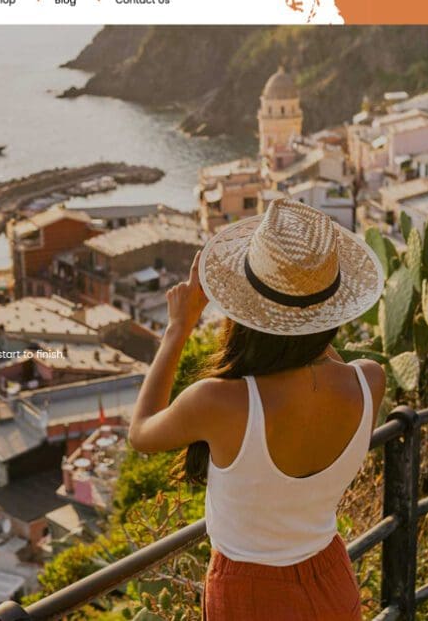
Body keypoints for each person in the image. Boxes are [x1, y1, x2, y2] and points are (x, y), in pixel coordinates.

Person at [129, 199, 387, 620]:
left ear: (245, 311)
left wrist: (178, 329)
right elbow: (319, 354)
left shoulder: (219, 402)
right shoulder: (368, 380)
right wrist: (305, 309)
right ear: (332, 307)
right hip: (331, 575)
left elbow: (140, 432)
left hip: (249, 592)